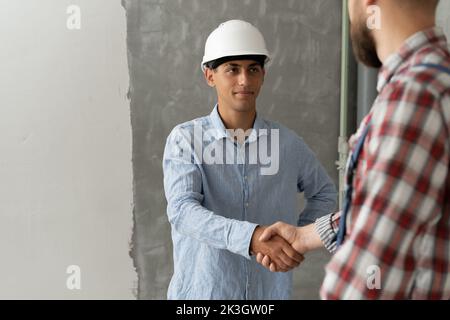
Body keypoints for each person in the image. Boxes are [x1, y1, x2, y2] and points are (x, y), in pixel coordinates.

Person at [257, 0, 450, 299]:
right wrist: (305, 235)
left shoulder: (414, 97)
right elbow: (397, 211)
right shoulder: (435, 82)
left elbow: (368, 276)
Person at [162, 19, 337, 299]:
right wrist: (252, 238)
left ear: (263, 75)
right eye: (232, 69)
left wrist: (296, 239)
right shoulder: (186, 140)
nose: (244, 80)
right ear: (210, 76)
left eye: (252, 69)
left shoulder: (287, 143)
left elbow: (325, 193)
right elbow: (182, 211)